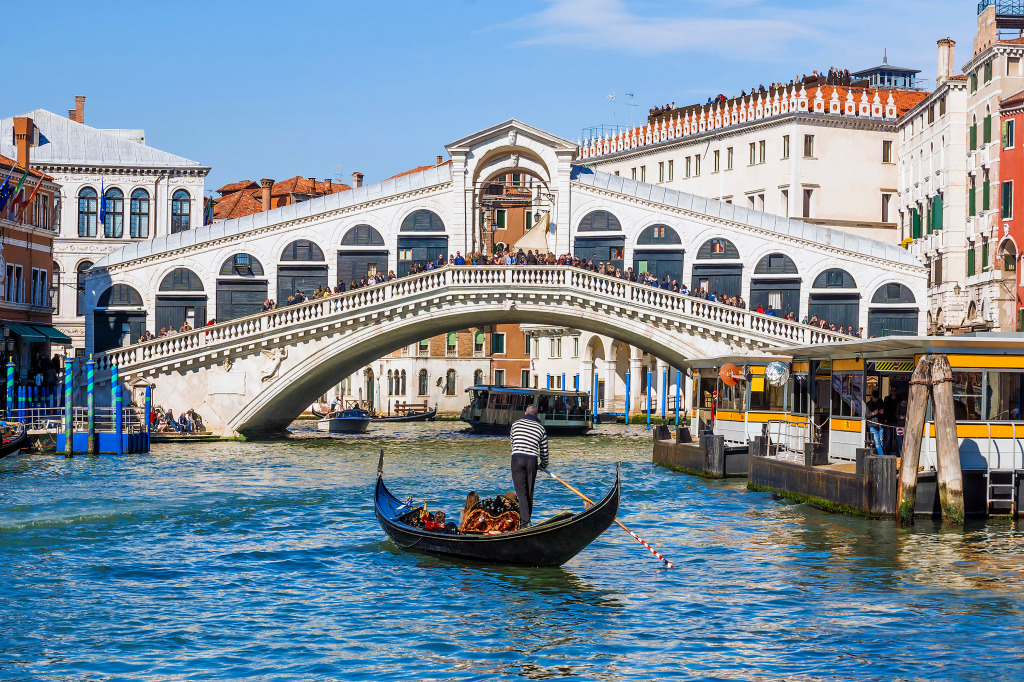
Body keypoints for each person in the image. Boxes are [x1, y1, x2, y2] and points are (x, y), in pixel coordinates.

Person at [509, 404, 549, 527]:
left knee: (521, 492)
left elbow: (513, 442)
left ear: (525, 414)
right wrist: (543, 465)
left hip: (516, 459)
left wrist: (518, 454)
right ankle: (526, 522)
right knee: (529, 491)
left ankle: (525, 522)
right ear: (536, 415)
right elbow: (544, 451)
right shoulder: (541, 428)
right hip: (532, 460)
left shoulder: (515, 424)